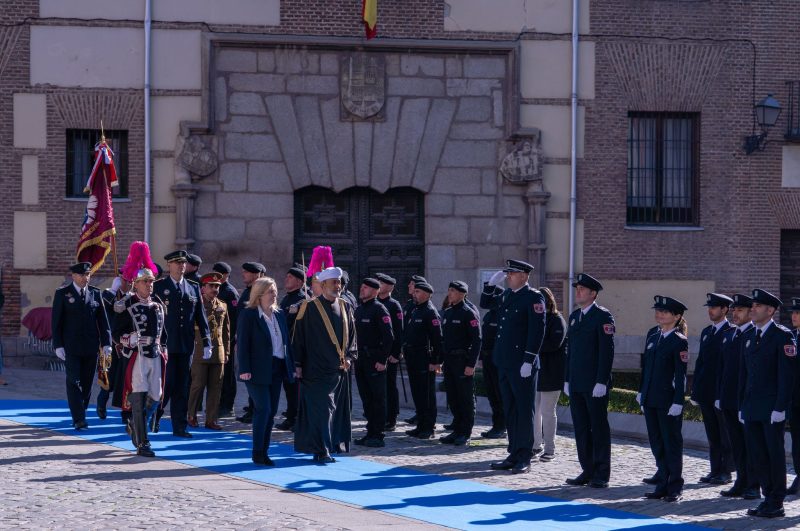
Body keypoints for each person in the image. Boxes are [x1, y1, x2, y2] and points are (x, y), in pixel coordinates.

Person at [481, 259, 546, 475]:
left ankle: (525, 455)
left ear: (524, 276)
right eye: (507, 273)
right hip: (505, 362)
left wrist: (529, 360)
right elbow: (486, 304)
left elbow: (537, 331)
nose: (508, 277)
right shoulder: (508, 295)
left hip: (521, 364)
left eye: (512, 273)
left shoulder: (534, 297)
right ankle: (513, 451)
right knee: (510, 409)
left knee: (524, 410)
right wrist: (490, 285)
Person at [739, 289, 795, 518]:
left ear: (770, 310)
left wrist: (781, 408)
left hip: (772, 409)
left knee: (774, 455)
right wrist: (743, 405)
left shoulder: (782, 336)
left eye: (757, 306)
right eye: (752, 306)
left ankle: (776, 501)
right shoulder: (750, 336)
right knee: (758, 455)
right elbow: (746, 375)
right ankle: (766, 497)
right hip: (753, 407)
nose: (752, 309)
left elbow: (787, 377)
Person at [293, 267, 357, 463]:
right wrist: (298, 363)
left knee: (335, 410)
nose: (338, 286)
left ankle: (332, 444)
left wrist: (349, 356)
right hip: (315, 370)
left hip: (339, 370)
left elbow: (352, 336)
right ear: (323, 286)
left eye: (339, 283)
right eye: (334, 283)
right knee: (322, 409)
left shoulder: (345, 306)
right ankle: (321, 449)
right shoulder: (309, 307)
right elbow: (298, 338)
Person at [153, 250, 211, 437]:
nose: (181, 266)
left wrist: (207, 341)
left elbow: (200, 317)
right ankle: (155, 416)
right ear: (169, 265)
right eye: (177, 263)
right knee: (166, 384)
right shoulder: (159, 287)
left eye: (183, 263)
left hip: (186, 345)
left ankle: (180, 426)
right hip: (165, 345)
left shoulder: (193, 287)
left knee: (183, 386)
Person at [564, 273, 615, 487]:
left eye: (582, 289)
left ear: (593, 293)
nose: (578, 292)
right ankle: (587, 469)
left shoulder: (603, 317)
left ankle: (601, 473)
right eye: (577, 289)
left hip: (595, 384)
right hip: (577, 382)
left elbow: (607, 351)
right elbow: (570, 351)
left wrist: (601, 381)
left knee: (598, 428)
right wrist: (567, 379)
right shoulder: (575, 316)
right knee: (581, 428)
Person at [237, 277, 294, 466]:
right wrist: (244, 368)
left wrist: (291, 366)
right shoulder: (249, 315)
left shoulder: (278, 314)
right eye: (270, 291)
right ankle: (258, 452)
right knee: (263, 409)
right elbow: (243, 344)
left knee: (272, 412)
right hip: (256, 370)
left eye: (275, 290)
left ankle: (265, 450)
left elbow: (285, 343)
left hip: (277, 368)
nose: (275, 294)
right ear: (259, 294)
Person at [638, 295, 689, 503]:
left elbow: (681, 374)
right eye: (658, 310)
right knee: (657, 443)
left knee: (671, 444)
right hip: (651, 399)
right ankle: (662, 484)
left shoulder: (679, 342)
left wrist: (678, 401)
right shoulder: (653, 337)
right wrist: (642, 392)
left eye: (665, 312)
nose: (659, 314)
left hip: (668, 402)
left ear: (677, 317)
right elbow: (646, 369)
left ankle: (675, 486)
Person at [113, 265, 167, 457]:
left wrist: (164, 348)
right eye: (145, 282)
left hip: (156, 354)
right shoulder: (127, 305)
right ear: (136, 284)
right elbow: (117, 332)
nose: (149, 285)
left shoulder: (158, 305)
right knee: (139, 395)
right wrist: (129, 339)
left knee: (156, 394)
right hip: (137, 356)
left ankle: (136, 426)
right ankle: (143, 442)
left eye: (151, 282)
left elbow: (164, 333)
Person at [51, 262, 112, 430]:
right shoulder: (63, 294)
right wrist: (58, 345)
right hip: (71, 347)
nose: (87, 278)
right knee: (73, 381)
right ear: (74, 276)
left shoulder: (95, 293)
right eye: (83, 275)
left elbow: (103, 321)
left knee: (86, 383)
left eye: (88, 275)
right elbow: (56, 322)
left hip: (91, 347)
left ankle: (81, 409)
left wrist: (107, 343)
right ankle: (79, 418)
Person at [717, 293, 760, 500]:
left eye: (740, 310)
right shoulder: (729, 334)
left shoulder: (754, 334)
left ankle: (753, 484)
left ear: (751, 312)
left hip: (745, 399)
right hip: (729, 399)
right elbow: (723, 368)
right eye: (734, 310)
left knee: (750, 445)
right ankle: (741, 481)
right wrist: (720, 395)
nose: (735, 314)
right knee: (736, 444)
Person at [690, 293, 734, 485]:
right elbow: (701, 363)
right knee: (712, 434)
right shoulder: (707, 332)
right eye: (709, 307)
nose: (710, 310)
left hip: (721, 392)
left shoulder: (731, 332)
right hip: (707, 391)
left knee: (726, 434)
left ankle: (726, 471)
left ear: (724, 310)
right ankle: (714, 469)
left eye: (714, 307)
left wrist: (722, 393)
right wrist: (695, 390)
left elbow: (728, 367)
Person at [440, 281, 482, 446]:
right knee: (453, 396)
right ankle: (456, 429)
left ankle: (465, 432)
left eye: (453, 291)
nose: (449, 293)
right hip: (450, 361)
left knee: (465, 398)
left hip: (462, 361)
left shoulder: (468, 313)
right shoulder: (448, 313)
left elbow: (477, 340)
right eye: (449, 290)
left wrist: (471, 364)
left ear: (462, 293)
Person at [353, 278, 394, 447]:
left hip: (375, 361)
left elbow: (389, 337)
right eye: (361, 287)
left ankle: (378, 434)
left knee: (377, 399)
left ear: (375, 291)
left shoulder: (380, 310)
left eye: (366, 288)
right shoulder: (359, 309)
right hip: (360, 359)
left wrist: (382, 360)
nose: (362, 290)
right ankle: (370, 432)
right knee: (366, 398)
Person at [402, 281, 445, 439]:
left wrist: (435, 361)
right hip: (413, 357)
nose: (415, 294)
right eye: (415, 292)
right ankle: (420, 424)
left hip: (424, 358)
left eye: (418, 292)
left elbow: (437, 340)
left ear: (427, 294)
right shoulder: (415, 310)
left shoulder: (430, 312)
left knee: (426, 395)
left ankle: (428, 427)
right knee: (418, 393)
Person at [188, 272, 230, 430]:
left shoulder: (223, 305)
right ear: (203, 288)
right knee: (197, 385)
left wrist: (226, 352)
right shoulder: (195, 304)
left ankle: (211, 419)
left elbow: (226, 332)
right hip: (199, 350)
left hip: (218, 352)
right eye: (211, 286)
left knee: (216, 387)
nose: (215, 289)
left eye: (217, 286)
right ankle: (191, 415)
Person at [535, 286, 566, 462]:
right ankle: (535, 445)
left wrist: (533, 346)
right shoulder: (536, 319)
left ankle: (549, 448)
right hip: (536, 372)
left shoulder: (556, 320)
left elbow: (554, 344)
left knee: (547, 411)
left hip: (551, 372)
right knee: (534, 411)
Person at [276, 263, 308, 431]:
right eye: (287, 276)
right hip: (285, 348)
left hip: (296, 349)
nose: (286, 279)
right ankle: (290, 414)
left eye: (290, 277)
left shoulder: (303, 300)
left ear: (299, 282)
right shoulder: (287, 298)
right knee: (288, 385)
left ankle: (296, 417)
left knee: (295, 386)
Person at [97, 270, 132, 421]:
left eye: (131, 280)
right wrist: (112, 290)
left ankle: (126, 411)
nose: (129, 283)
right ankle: (101, 402)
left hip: (128, 343)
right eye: (126, 279)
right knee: (108, 376)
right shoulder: (109, 294)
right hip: (111, 342)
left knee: (126, 378)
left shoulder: (134, 296)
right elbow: (101, 308)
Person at [236, 261, 266, 423]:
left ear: (256, 275)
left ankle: (255, 409)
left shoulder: (257, 293)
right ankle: (252, 407)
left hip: (254, 344)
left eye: (246, 272)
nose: (243, 275)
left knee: (253, 377)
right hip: (244, 338)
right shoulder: (248, 291)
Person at [376, 273, 404, 431]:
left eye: (382, 283)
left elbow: (398, 332)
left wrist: (396, 352)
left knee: (389, 386)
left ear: (390, 287)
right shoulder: (375, 303)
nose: (379, 284)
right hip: (377, 352)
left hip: (389, 353)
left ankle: (391, 417)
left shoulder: (394, 305)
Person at [480, 281, 506, 439]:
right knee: (492, 394)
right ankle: (496, 425)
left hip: (498, 359)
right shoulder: (490, 314)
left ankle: (501, 426)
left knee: (499, 394)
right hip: (488, 358)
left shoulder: (503, 314)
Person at [214, 262, 240, 418]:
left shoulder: (230, 293)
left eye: (219, 274)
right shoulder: (217, 289)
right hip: (217, 338)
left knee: (228, 374)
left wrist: (231, 340)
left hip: (227, 339)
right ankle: (219, 403)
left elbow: (234, 318)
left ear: (225, 275)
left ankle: (227, 406)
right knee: (219, 374)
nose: (216, 276)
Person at [788, 297, 800, 495]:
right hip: (794, 399)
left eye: (798, 313)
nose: (794, 316)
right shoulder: (790, 336)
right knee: (797, 440)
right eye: (793, 312)